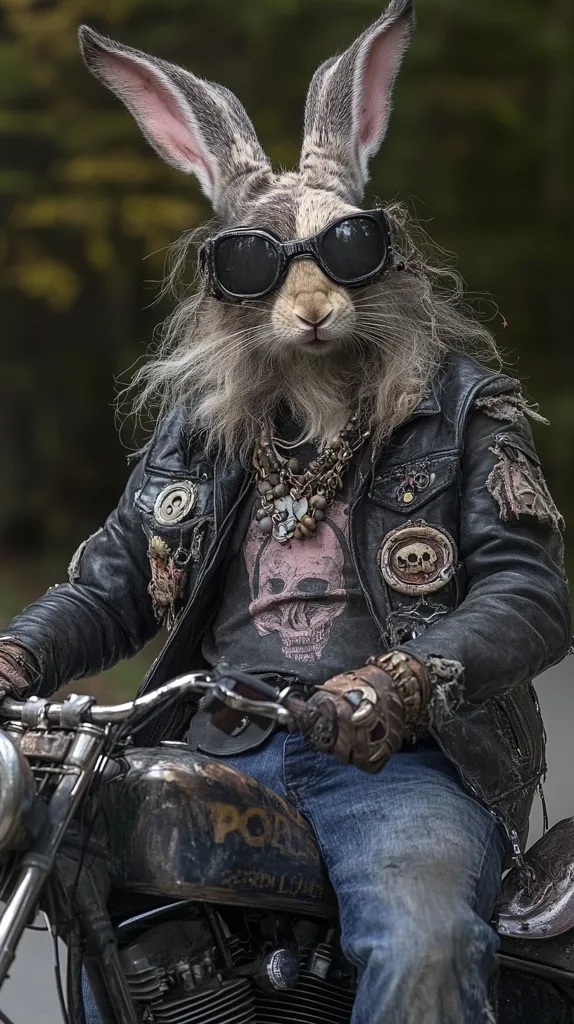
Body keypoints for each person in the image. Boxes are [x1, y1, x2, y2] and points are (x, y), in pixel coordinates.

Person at [1, 2, 569, 1021]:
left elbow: (529, 596)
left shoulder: (460, 405)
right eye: (264, 267)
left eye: (338, 254)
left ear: (378, 254)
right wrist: (19, 656)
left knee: (423, 935)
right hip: (217, 741)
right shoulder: (203, 422)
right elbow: (117, 580)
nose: (306, 297)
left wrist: (403, 680)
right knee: (103, 910)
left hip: (404, 759)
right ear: (232, 282)